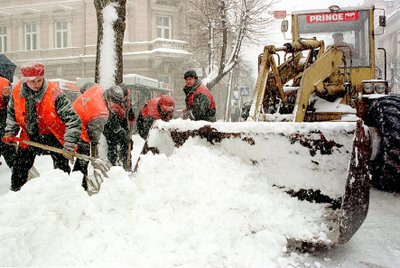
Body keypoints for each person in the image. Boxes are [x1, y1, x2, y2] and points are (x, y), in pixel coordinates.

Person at [2, 62, 83, 192]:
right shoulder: (17, 92)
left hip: (54, 135)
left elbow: (73, 120)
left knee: (61, 170)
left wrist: (69, 143)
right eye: (33, 81)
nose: (37, 84)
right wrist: (10, 132)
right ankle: (16, 195)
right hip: (29, 136)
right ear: (25, 80)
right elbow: (12, 115)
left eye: (39, 80)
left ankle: (64, 194)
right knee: (19, 168)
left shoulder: (54, 93)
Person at [72, 82, 110, 189]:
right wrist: (94, 148)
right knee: (83, 157)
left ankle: (78, 182)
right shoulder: (101, 112)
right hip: (77, 127)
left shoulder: (98, 89)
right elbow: (94, 135)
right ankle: (78, 185)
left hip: (72, 116)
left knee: (82, 156)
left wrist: (84, 100)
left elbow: (85, 86)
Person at [102, 85, 130, 167]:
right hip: (110, 129)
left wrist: (125, 131)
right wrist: (119, 130)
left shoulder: (120, 102)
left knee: (122, 145)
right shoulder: (109, 104)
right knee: (112, 146)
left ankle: (122, 163)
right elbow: (111, 118)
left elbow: (123, 117)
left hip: (118, 125)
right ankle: (114, 164)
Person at [0, 76, 15, 168]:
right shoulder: (4, 82)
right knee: (7, 143)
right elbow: (9, 100)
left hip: (3, 116)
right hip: (3, 116)